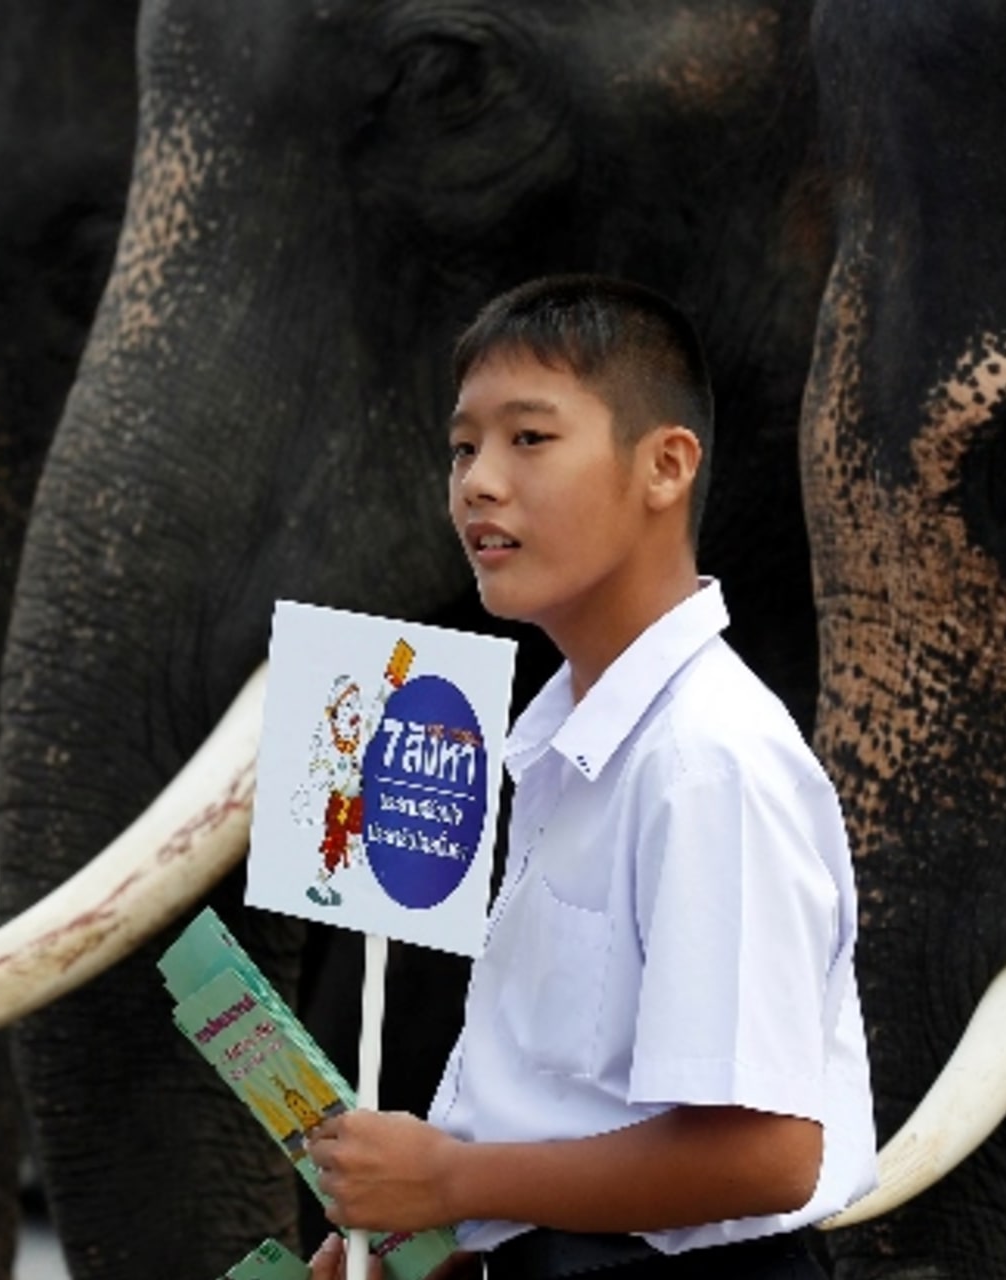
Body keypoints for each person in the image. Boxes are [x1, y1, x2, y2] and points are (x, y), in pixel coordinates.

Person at [304, 275, 877, 1280]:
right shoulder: (570, 741)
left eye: (529, 438)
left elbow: (769, 1153)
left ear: (666, 465)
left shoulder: (703, 758)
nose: (479, 481)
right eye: (462, 446)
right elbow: (578, 1098)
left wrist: (456, 1183)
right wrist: (441, 1232)